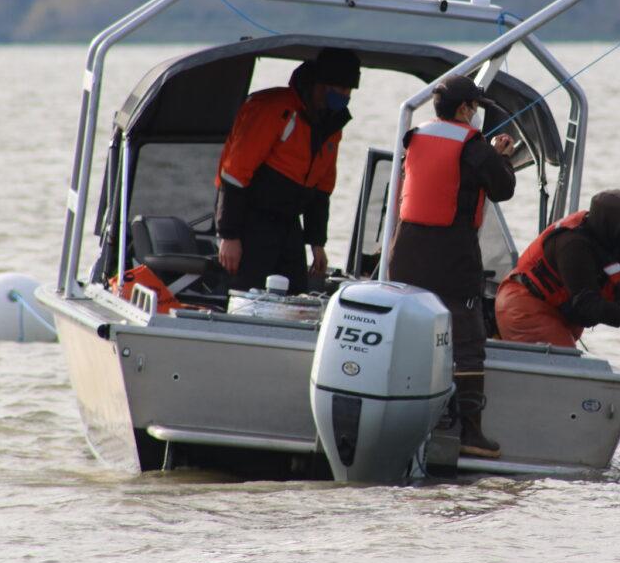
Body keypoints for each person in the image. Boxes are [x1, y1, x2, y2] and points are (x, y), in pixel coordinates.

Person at [388, 75, 516, 459]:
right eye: (475, 107)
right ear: (464, 110)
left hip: (405, 250)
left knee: (411, 331)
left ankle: (403, 417)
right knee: (468, 337)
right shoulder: (474, 146)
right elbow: (503, 188)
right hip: (451, 252)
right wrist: (501, 156)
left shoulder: (414, 136)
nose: (476, 114)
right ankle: (471, 433)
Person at [214, 48, 361, 294]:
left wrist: (317, 244)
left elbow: (322, 189)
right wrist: (229, 236)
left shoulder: (332, 124)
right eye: (339, 89)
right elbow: (235, 173)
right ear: (319, 85)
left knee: (297, 294)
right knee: (245, 293)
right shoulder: (273, 108)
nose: (344, 96)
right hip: (250, 219)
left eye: (349, 91)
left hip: (289, 222)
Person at [494, 189, 620, 354]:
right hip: (525, 305)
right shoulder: (573, 245)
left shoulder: (612, 237)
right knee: (564, 362)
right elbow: (588, 305)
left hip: (559, 310)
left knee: (567, 357)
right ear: (609, 223)